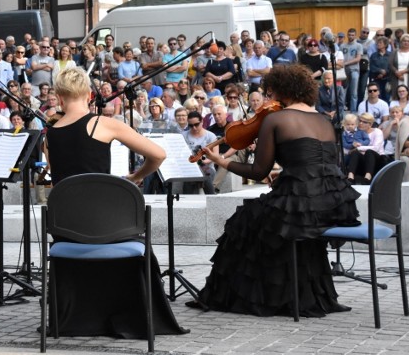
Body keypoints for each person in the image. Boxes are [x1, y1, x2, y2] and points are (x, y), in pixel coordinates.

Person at [189, 64, 360, 317]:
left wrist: (221, 161)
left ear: (281, 89)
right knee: (271, 219)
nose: (268, 99)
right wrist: (284, 175)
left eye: (269, 93)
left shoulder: (276, 119)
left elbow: (258, 171)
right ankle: (307, 292)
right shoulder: (324, 119)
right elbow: (316, 163)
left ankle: (262, 295)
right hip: (333, 201)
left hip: (303, 204)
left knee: (245, 221)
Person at [44, 66, 186, 337]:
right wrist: (135, 176)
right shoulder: (104, 123)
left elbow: (58, 185)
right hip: (109, 226)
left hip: (68, 229)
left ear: (59, 97)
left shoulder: (49, 135)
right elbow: (158, 154)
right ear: (88, 94)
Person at [345, 113, 385, 184]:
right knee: (355, 153)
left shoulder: (377, 132)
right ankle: (350, 176)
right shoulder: (355, 133)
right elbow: (349, 148)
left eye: (364, 122)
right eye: (360, 121)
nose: (361, 123)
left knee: (369, 152)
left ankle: (368, 176)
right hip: (362, 160)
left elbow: (376, 148)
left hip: (377, 159)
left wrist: (359, 148)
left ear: (370, 124)